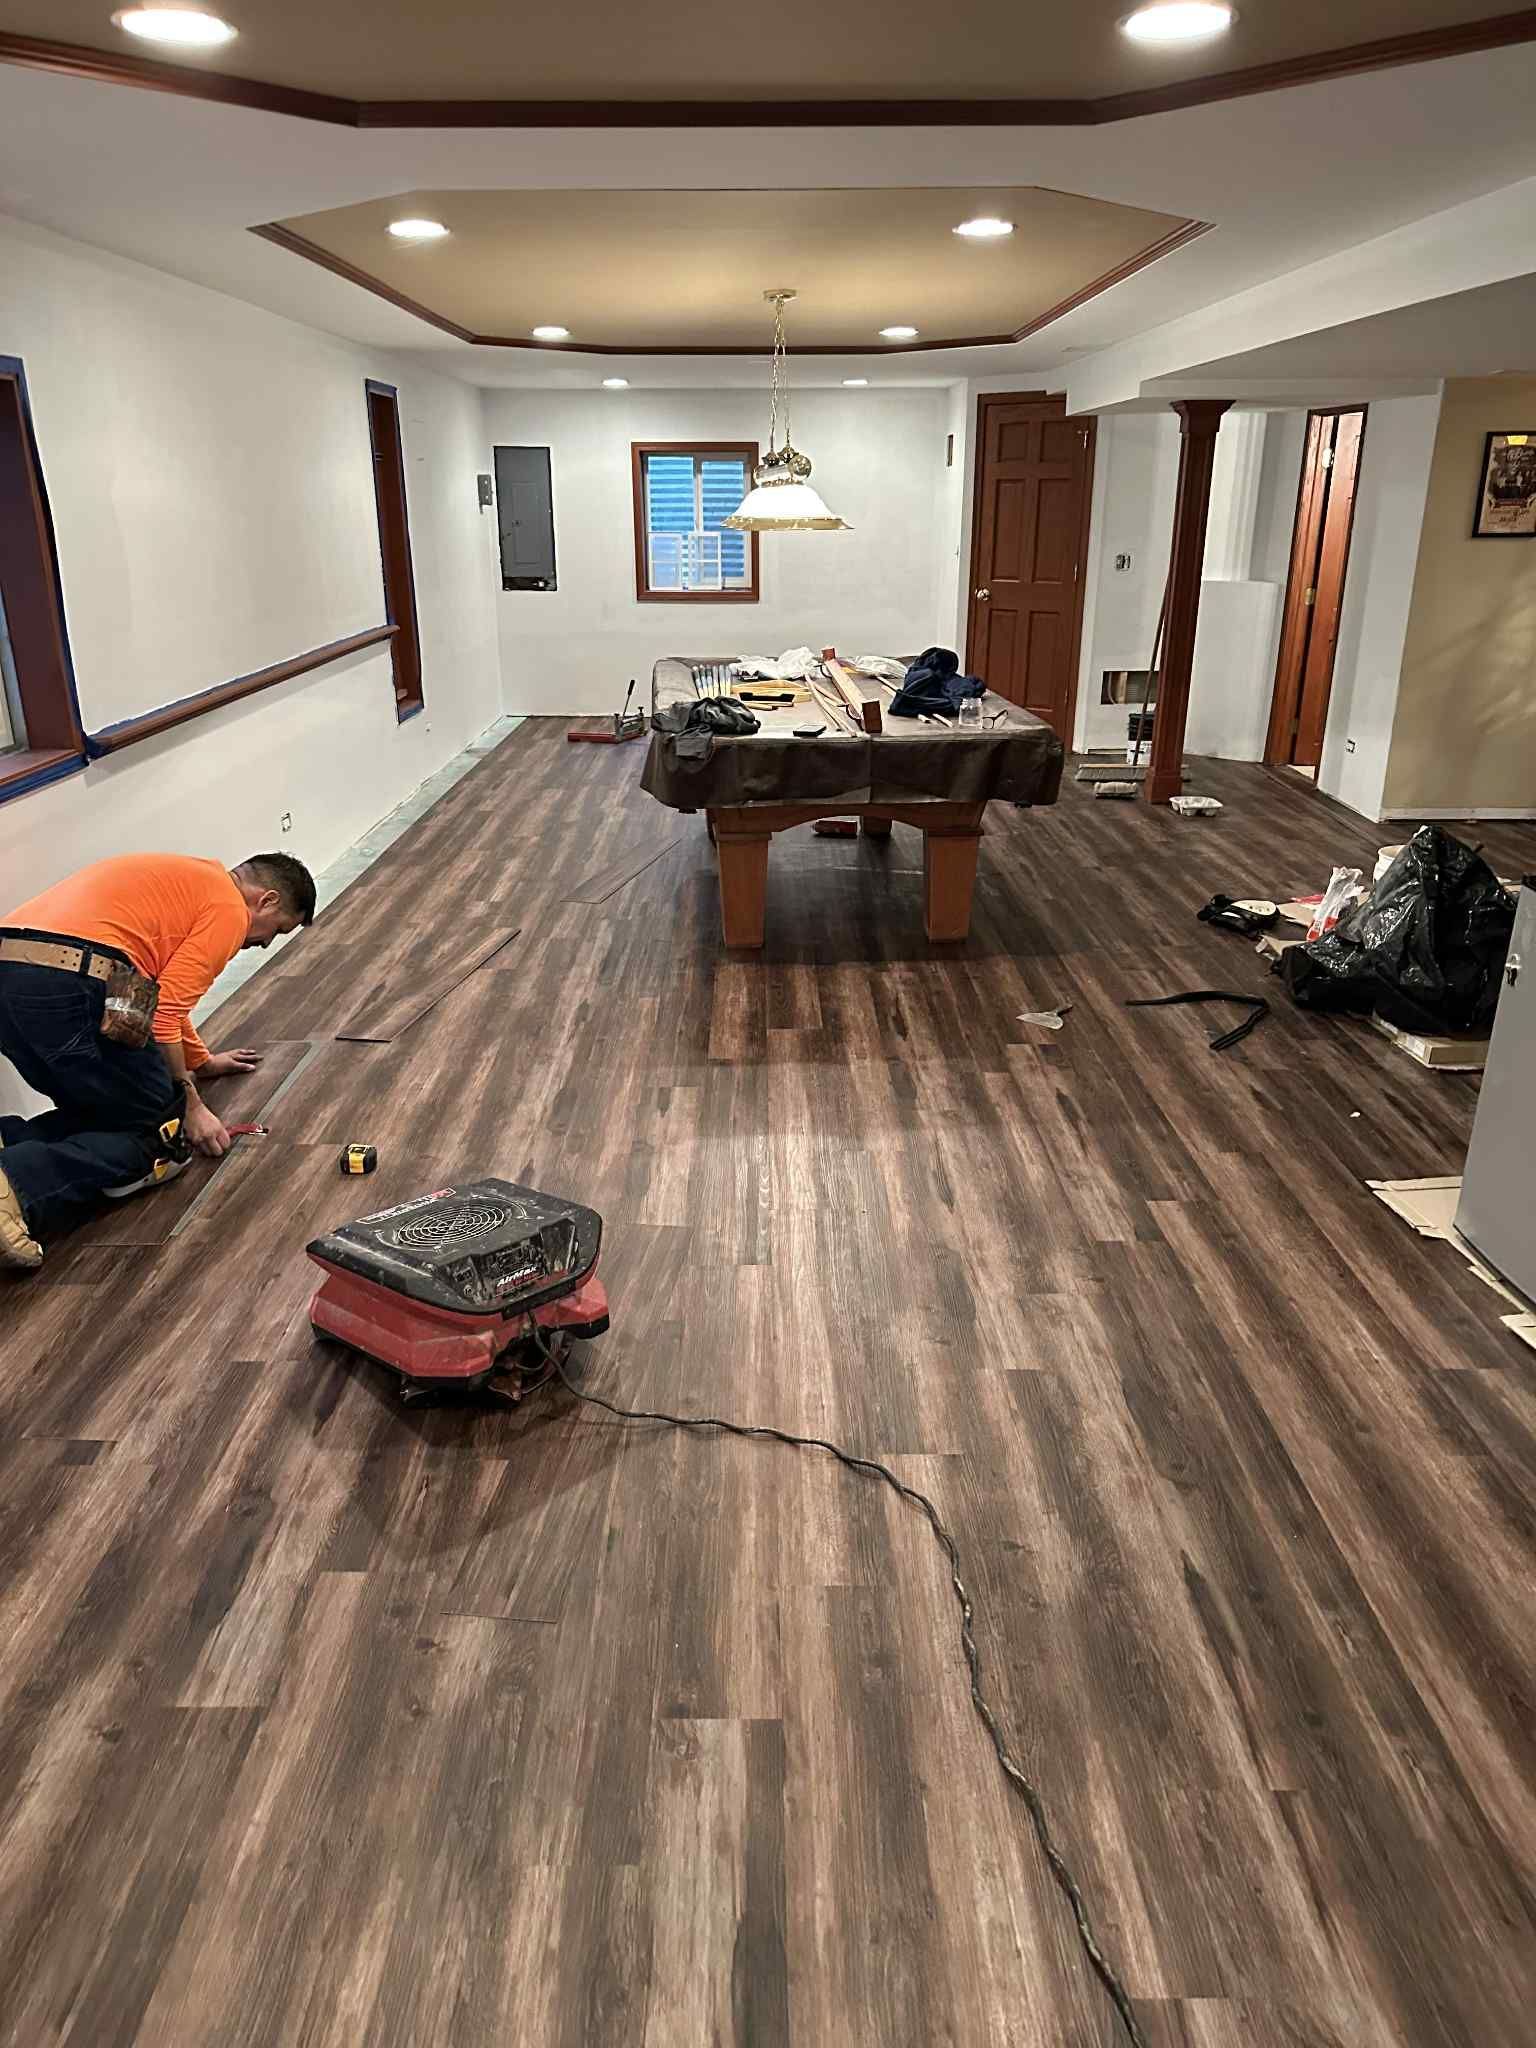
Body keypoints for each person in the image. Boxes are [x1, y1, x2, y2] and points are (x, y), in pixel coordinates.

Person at [0, 850, 315, 1269]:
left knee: (105, 1108)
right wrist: (192, 1104)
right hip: (70, 982)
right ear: (267, 900)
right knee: (161, 1134)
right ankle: (15, 1186)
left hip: (14, 976)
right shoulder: (228, 909)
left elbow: (159, 997)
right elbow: (164, 1014)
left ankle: (11, 1141)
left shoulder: (192, 882)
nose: (261, 944)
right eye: (275, 931)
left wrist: (201, 1062)